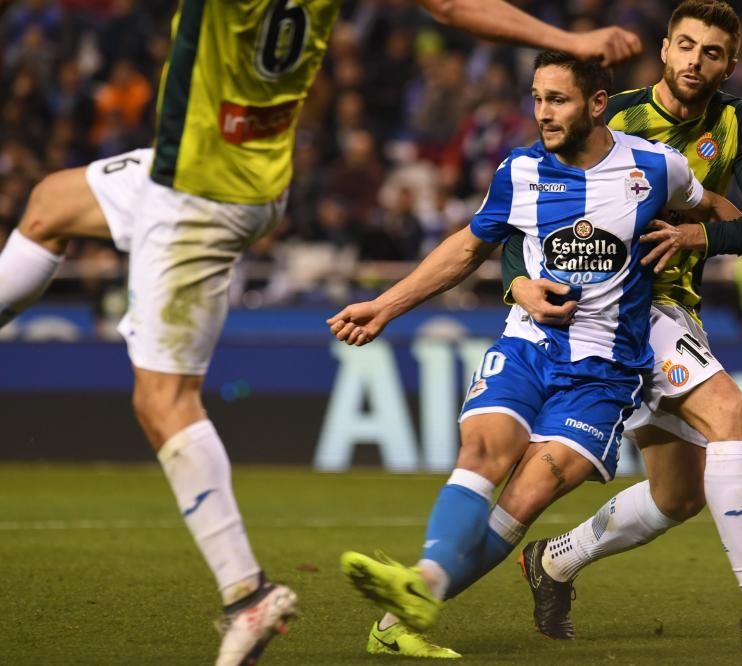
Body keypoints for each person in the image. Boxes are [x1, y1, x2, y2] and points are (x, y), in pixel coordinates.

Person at [0, 3, 643, 664]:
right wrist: (567, 37)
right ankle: (417, 592)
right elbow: (451, 8)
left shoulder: (647, 168)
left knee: (162, 399)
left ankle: (245, 595)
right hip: (225, 173)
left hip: (198, 195)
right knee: (51, 201)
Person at [329, 50, 742, 659]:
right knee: (483, 450)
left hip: (605, 374)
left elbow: (712, 209)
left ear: (597, 105)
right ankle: (420, 590)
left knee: (525, 499)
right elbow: (467, 249)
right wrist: (387, 306)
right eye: (537, 98)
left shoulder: (657, 168)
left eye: (558, 100)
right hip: (528, 346)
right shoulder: (519, 171)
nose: (543, 113)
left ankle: (400, 616)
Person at [503, 0, 742, 652]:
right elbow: (527, 193)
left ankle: (555, 561)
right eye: (685, 45)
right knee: (730, 413)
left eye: (711, 52)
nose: (694, 61)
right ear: (664, 48)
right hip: (626, 307)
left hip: (676, 311)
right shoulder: (613, 111)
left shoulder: (739, 122)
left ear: (730, 63)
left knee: (677, 495)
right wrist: (519, 280)